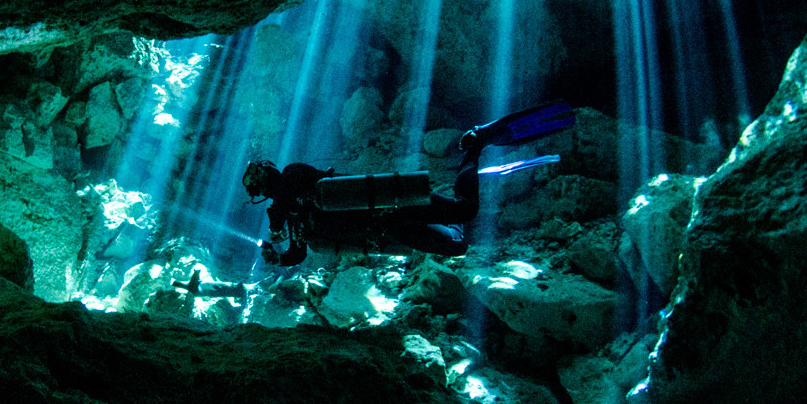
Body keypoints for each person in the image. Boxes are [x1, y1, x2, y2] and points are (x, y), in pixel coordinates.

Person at [244, 101, 575, 267]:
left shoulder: (293, 176)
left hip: (397, 203)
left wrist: (277, 217)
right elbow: (299, 254)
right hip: (391, 230)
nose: (261, 188)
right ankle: (456, 200)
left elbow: (289, 188)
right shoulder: (293, 216)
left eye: (256, 181)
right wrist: (279, 258)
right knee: (457, 247)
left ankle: (477, 141)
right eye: (256, 185)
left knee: (466, 209)